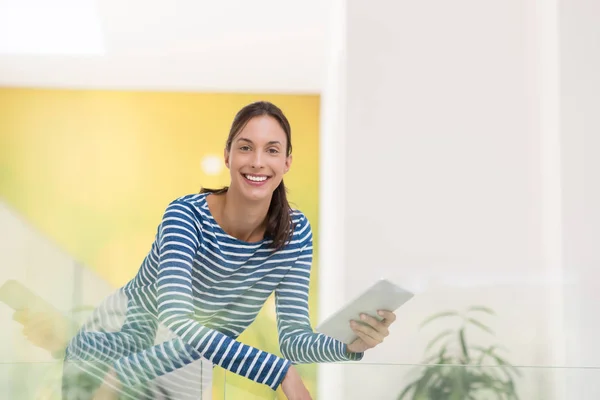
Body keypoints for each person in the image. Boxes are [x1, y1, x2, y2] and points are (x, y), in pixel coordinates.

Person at [17, 101, 397, 400]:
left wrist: (350, 345)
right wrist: (280, 372)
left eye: (272, 150)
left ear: (287, 162)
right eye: (246, 147)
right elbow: (179, 321)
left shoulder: (294, 235)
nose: (257, 161)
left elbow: (293, 339)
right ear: (228, 155)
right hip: (107, 357)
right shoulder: (186, 216)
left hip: (168, 372)